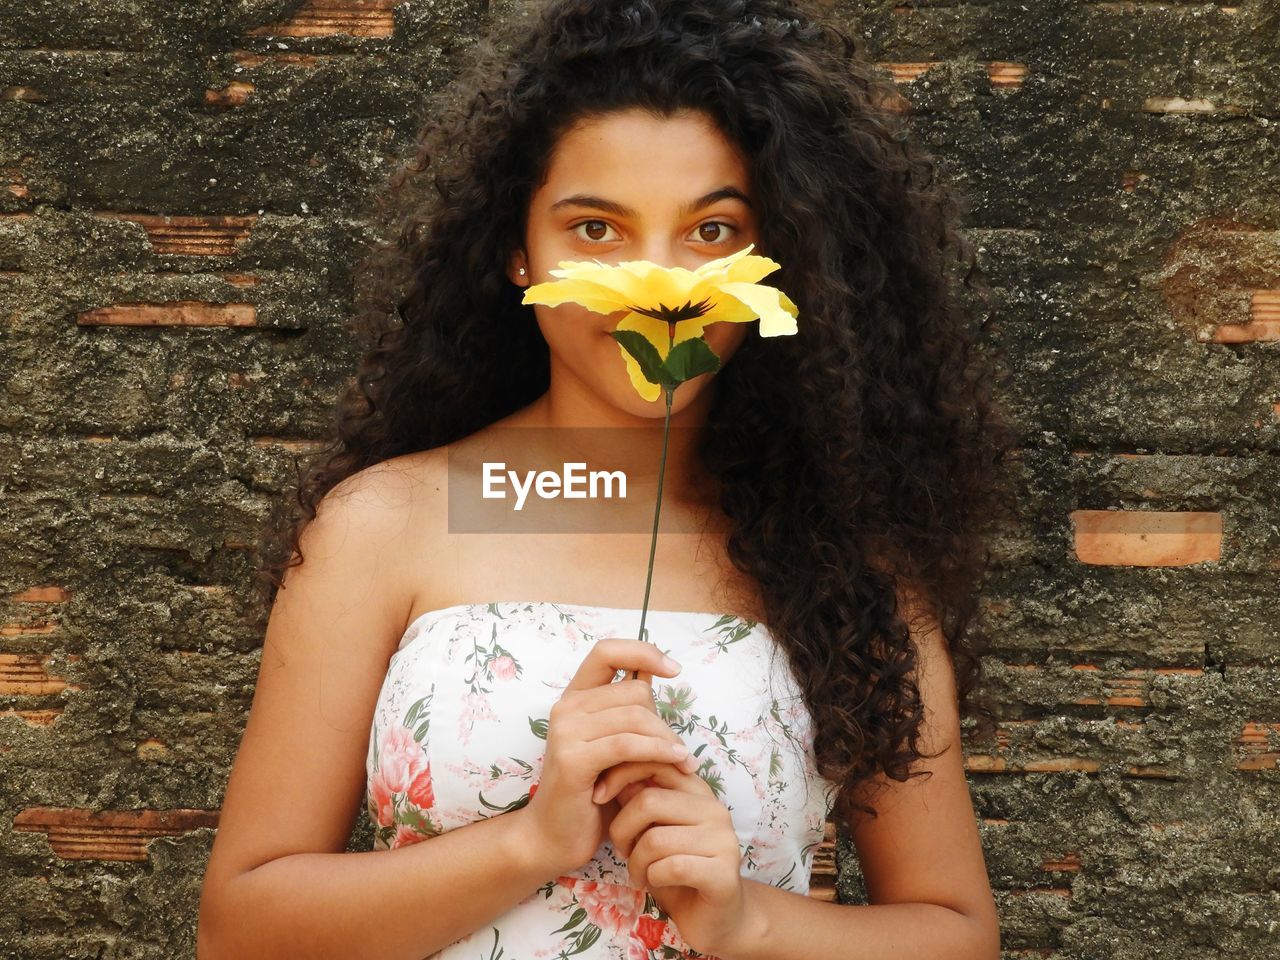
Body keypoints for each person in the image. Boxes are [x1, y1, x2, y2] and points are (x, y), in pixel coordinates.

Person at [197, 1, 1017, 958]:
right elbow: (239, 931)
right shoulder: (393, 524)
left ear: (781, 257)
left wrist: (746, 921)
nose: (659, 284)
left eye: (712, 231)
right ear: (519, 249)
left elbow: (957, 936)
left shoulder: (846, 561)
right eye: (596, 229)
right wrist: (528, 840)